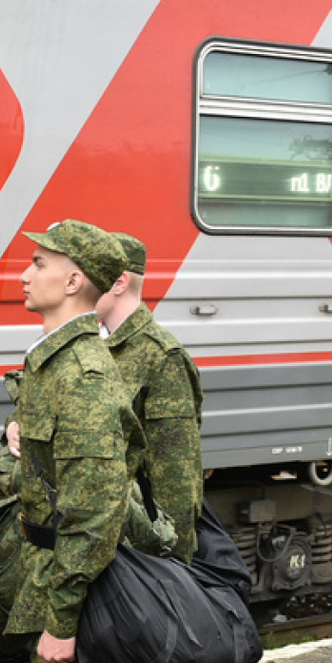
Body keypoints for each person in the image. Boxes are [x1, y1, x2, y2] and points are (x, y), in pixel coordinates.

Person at [2, 219, 141, 663]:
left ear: (73, 281)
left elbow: (94, 511)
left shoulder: (82, 376)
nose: (25, 274)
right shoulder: (52, 362)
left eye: (39, 263)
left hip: (73, 591)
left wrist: (62, 623)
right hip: (47, 570)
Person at [97, 231, 204, 562]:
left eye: (88, 276)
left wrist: (175, 570)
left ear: (118, 283)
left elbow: (176, 482)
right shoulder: (93, 343)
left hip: (136, 555)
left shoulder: (161, 357)